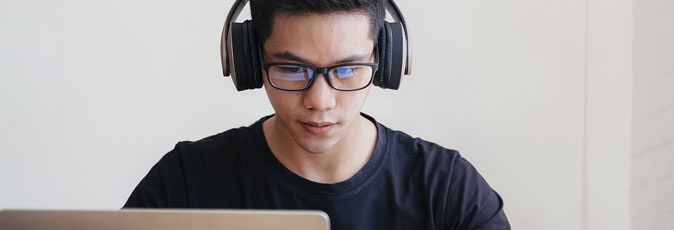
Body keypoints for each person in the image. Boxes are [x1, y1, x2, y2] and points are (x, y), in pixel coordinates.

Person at [123, 0, 510, 229]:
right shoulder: (185, 185)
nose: (320, 101)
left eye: (348, 68)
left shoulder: (449, 193)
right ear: (248, 61)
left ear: (385, 61)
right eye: (292, 69)